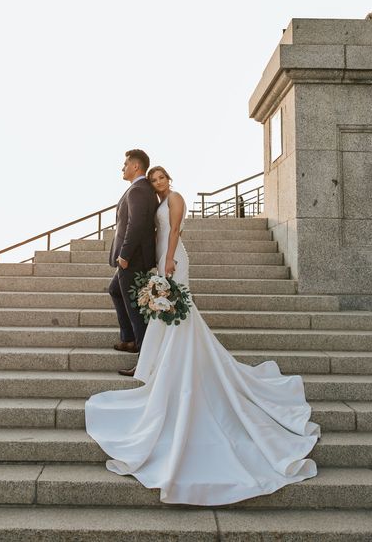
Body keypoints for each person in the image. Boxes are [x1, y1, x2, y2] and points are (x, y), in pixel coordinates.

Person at [86, 166, 320, 506]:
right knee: (170, 314)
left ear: (170, 179)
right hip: (162, 260)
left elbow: (176, 230)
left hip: (175, 259)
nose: (158, 183)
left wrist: (167, 260)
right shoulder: (157, 201)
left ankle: (179, 358)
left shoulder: (176, 199)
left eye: (161, 178)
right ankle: (167, 357)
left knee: (179, 311)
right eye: (153, 180)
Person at [108, 149, 159, 376]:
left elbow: (136, 225)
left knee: (136, 308)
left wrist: (125, 255)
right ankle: (129, 339)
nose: (122, 168)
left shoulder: (139, 190)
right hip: (135, 257)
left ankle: (144, 361)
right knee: (115, 290)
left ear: (136, 167)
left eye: (125, 164)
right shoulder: (140, 189)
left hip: (133, 259)